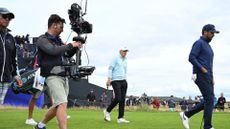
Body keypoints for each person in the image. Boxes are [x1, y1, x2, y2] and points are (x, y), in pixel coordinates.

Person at [34, 14, 82, 129]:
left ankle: (40, 126)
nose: (63, 29)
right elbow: (52, 51)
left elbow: (66, 53)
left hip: (63, 76)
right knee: (61, 103)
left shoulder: (58, 41)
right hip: (52, 76)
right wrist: (70, 44)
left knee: (58, 105)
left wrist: (76, 47)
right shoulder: (42, 40)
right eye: (61, 27)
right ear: (54, 25)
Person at [180, 24, 219, 129]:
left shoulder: (208, 46)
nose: (213, 35)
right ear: (205, 32)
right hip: (200, 74)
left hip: (208, 75)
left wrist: (212, 77)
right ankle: (207, 126)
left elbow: (209, 64)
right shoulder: (199, 43)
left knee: (211, 100)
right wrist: (202, 68)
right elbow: (191, 57)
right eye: (212, 33)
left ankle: (186, 114)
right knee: (210, 99)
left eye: (214, 33)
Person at [0, 7, 22, 105]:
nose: (7, 19)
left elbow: (14, 59)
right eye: (4, 16)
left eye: (9, 18)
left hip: (6, 79)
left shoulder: (10, 38)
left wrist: (16, 75)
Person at [103, 47, 130, 124]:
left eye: (126, 51)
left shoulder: (125, 60)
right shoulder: (115, 58)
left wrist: (125, 79)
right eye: (124, 51)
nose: (125, 53)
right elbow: (110, 68)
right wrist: (109, 79)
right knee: (118, 98)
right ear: (120, 51)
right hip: (115, 80)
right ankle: (107, 111)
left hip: (123, 81)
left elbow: (125, 70)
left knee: (122, 100)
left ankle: (120, 118)